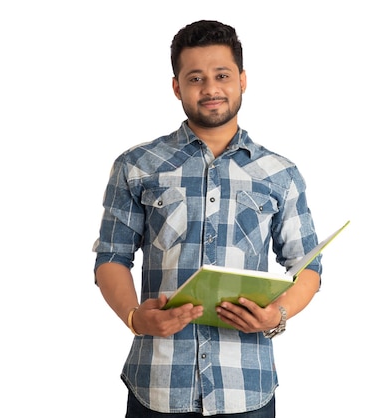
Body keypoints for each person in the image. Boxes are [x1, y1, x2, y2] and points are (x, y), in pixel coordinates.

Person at [93, 20, 322, 417]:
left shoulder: (280, 174)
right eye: (195, 78)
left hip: (246, 388)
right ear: (177, 87)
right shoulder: (137, 166)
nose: (211, 89)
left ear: (242, 80)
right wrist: (135, 317)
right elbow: (111, 257)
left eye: (222, 76)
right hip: (159, 383)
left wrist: (276, 315)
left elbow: (308, 266)